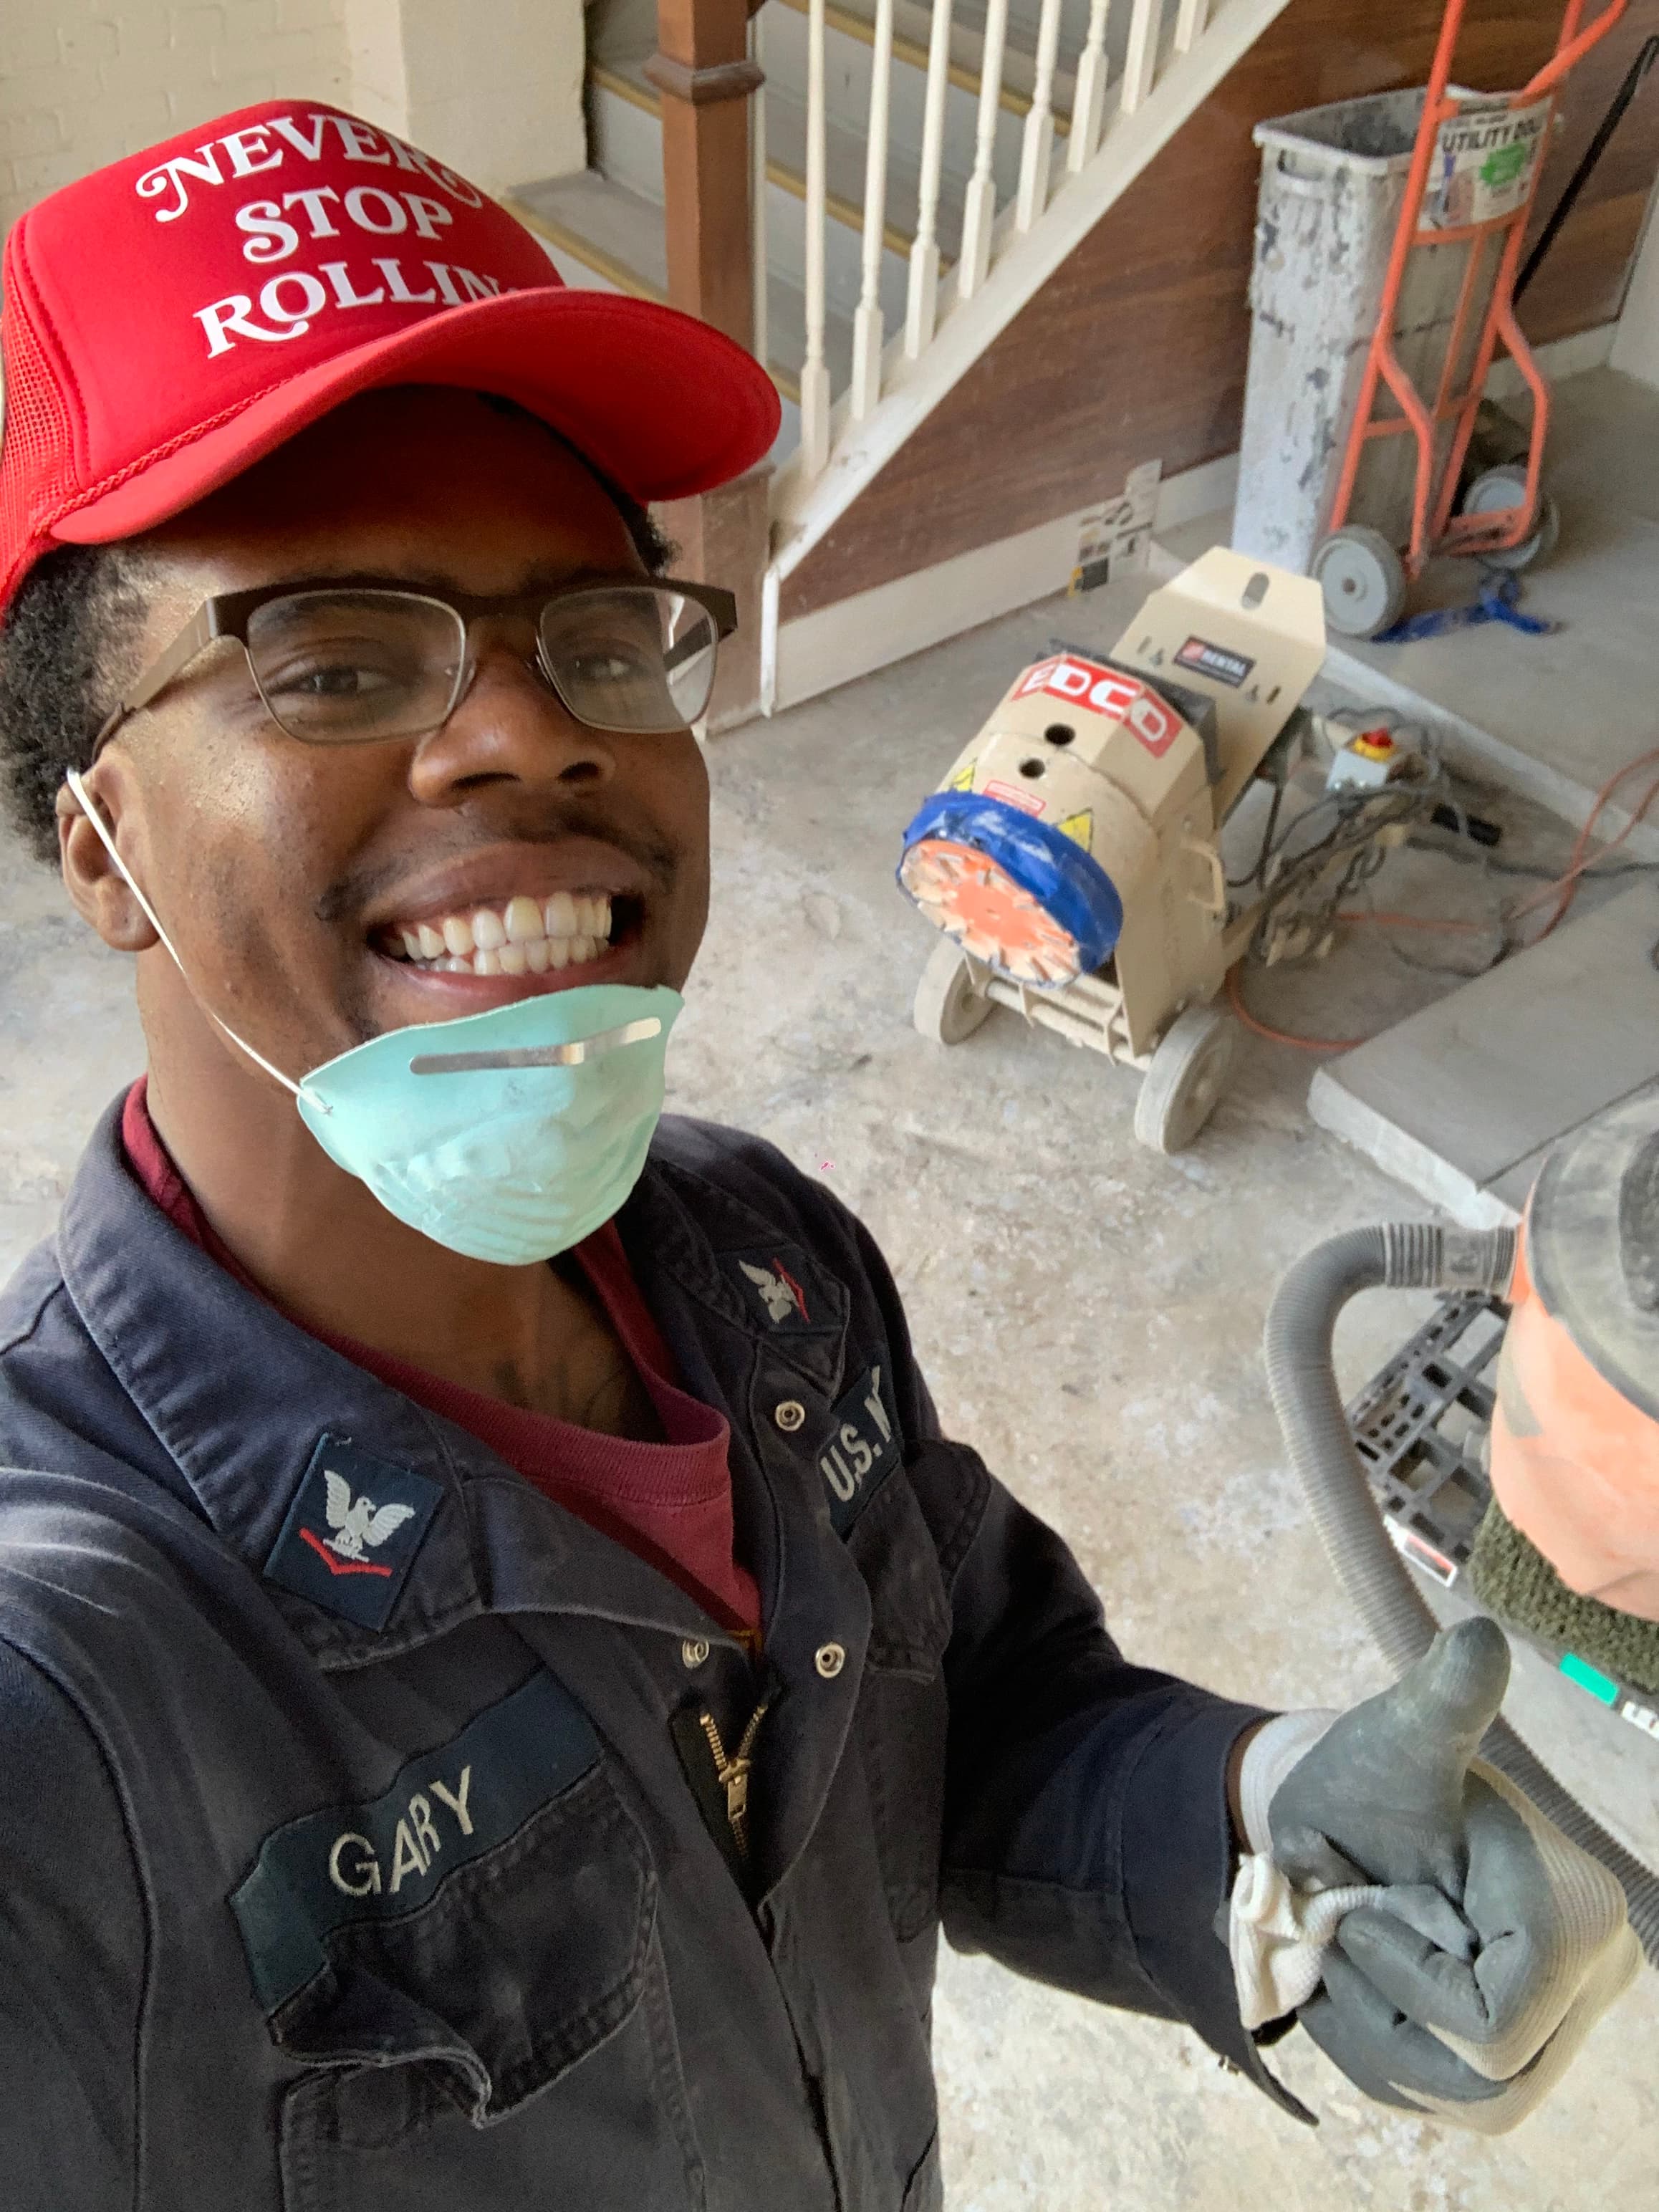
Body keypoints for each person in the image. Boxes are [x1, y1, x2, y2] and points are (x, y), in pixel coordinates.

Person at [0, 101, 1637, 2210]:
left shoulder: (758, 1262)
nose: (529, 732)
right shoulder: (76, 1698)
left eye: (597, 635)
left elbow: (969, 1716)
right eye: (329, 657)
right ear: (99, 849)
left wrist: (1242, 1822)